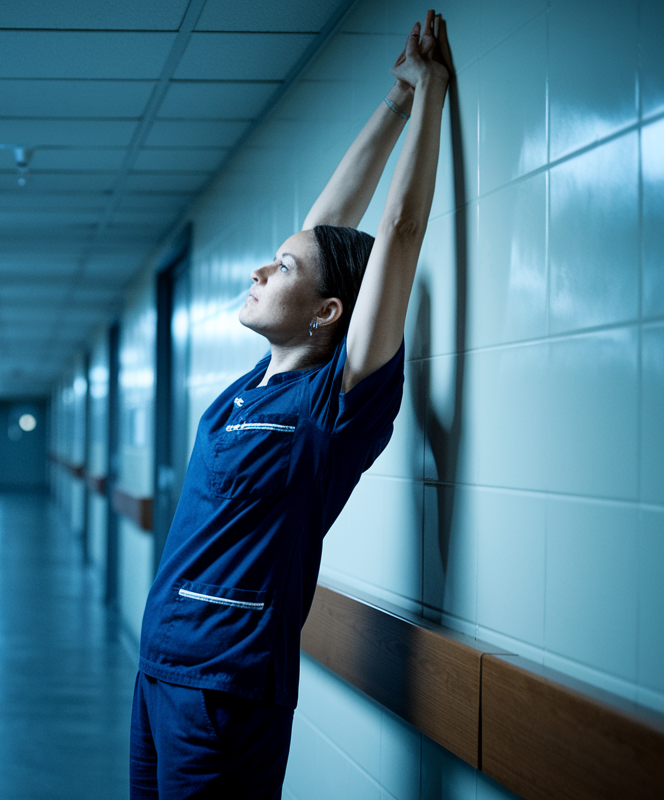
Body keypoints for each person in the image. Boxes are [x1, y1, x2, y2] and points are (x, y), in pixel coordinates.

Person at [129, 10, 453, 799]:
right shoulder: (253, 387)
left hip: (225, 691)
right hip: (159, 669)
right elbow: (322, 229)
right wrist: (393, 105)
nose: (260, 271)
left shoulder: (332, 408)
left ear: (330, 312)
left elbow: (399, 233)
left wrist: (434, 96)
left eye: (281, 268)